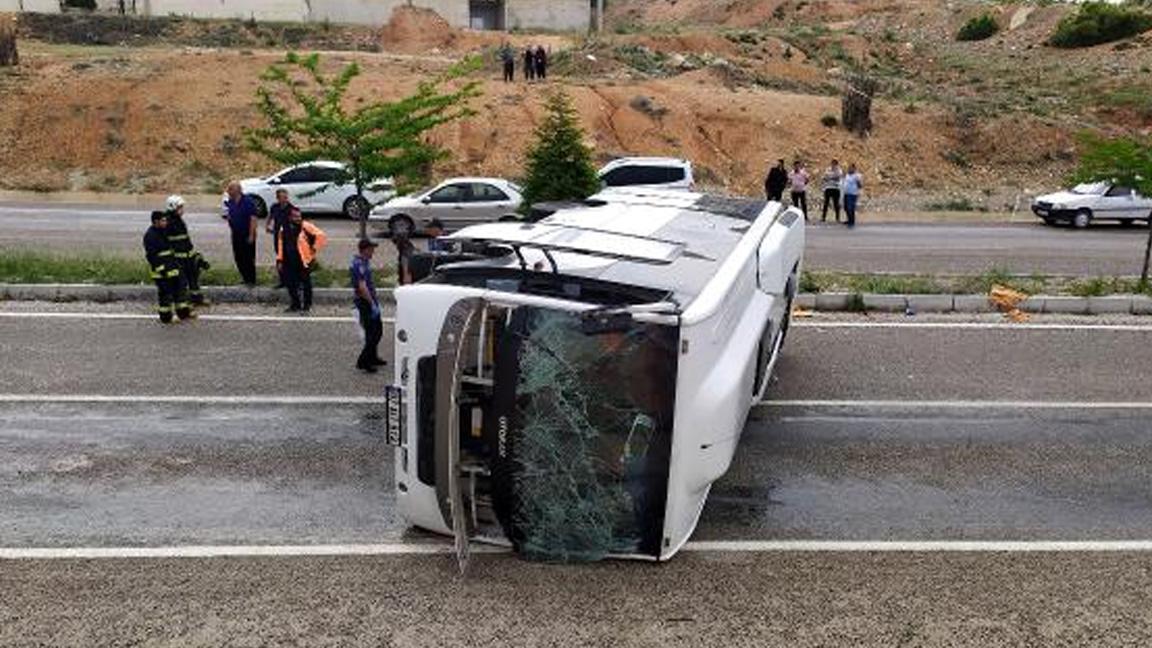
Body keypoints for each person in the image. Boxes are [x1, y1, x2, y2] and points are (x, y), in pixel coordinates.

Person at [143, 210, 192, 324]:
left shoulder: (163, 231)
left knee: (179, 289)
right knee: (165, 294)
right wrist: (161, 269)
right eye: (163, 220)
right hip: (162, 271)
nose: (166, 222)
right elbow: (151, 256)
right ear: (156, 222)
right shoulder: (150, 235)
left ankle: (182, 313)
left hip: (171, 267)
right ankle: (166, 317)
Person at [278, 206, 328, 313]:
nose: (298, 218)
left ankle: (307, 306)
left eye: (299, 216)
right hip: (288, 260)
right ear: (289, 217)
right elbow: (281, 244)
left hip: (303, 260)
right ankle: (295, 304)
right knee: (290, 284)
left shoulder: (305, 226)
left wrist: (314, 248)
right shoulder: (284, 228)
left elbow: (321, 236)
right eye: (295, 216)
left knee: (306, 284)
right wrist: (280, 260)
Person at [164, 195, 209, 306]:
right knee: (181, 282)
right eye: (180, 207)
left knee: (193, 278)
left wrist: (195, 256)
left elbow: (185, 241)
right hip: (178, 259)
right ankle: (182, 304)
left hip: (187, 256)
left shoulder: (179, 220)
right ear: (172, 207)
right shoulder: (168, 222)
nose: (182, 210)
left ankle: (197, 299)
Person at [351, 239, 386, 373]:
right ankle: (364, 361)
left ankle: (373, 356)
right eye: (371, 249)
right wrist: (371, 304)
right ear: (364, 249)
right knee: (372, 333)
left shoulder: (364, 262)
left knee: (377, 330)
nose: (373, 252)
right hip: (365, 302)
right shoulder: (358, 264)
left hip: (371, 300)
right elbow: (362, 287)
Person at [223, 182, 259, 286]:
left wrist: (251, 235)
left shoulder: (248, 202)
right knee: (238, 257)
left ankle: (251, 280)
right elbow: (229, 214)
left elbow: (253, 219)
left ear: (237, 190)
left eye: (230, 189)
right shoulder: (231, 201)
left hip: (247, 233)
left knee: (248, 257)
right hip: (236, 234)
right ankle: (245, 278)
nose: (228, 192)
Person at [266, 189, 293, 288]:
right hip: (278, 237)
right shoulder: (274, 207)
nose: (285, 200)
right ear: (278, 198)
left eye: (286, 197)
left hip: (289, 238)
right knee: (280, 258)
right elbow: (270, 216)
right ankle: (282, 281)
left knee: (290, 259)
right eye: (283, 198)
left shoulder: (291, 209)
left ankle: (292, 280)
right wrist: (268, 226)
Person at [842, 163, 863, 228]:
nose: (849, 169)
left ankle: (852, 221)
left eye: (851, 168)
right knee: (846, 208)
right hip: (846, 193)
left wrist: (858, 182)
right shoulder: (847, 175)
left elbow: (860, 186)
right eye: (849, 168)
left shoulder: (857, 176)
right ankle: (849, 219)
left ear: (854, 168)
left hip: (852, 194)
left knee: (850, 208)